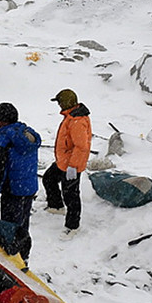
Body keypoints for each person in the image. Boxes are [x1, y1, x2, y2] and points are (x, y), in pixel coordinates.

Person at [0, 102, 42, 261]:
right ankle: (23, 257)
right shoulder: (28, 135)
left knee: (9, 230)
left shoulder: (2, 142)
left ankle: (13, 262)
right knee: (23, 225)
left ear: (0, 121)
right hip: (29, 188)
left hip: (13, 191)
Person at [42, 89, 92, 235]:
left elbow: (81, 146)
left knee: (71, 195)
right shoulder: (71, 116)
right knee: (49, 179)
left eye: (59, 102)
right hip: (63, 162)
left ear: (65, 103)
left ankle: (72, 226)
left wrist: (73, 167)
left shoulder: (77, 121)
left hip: (71, 164)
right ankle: (56, 206)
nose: (58, 105)